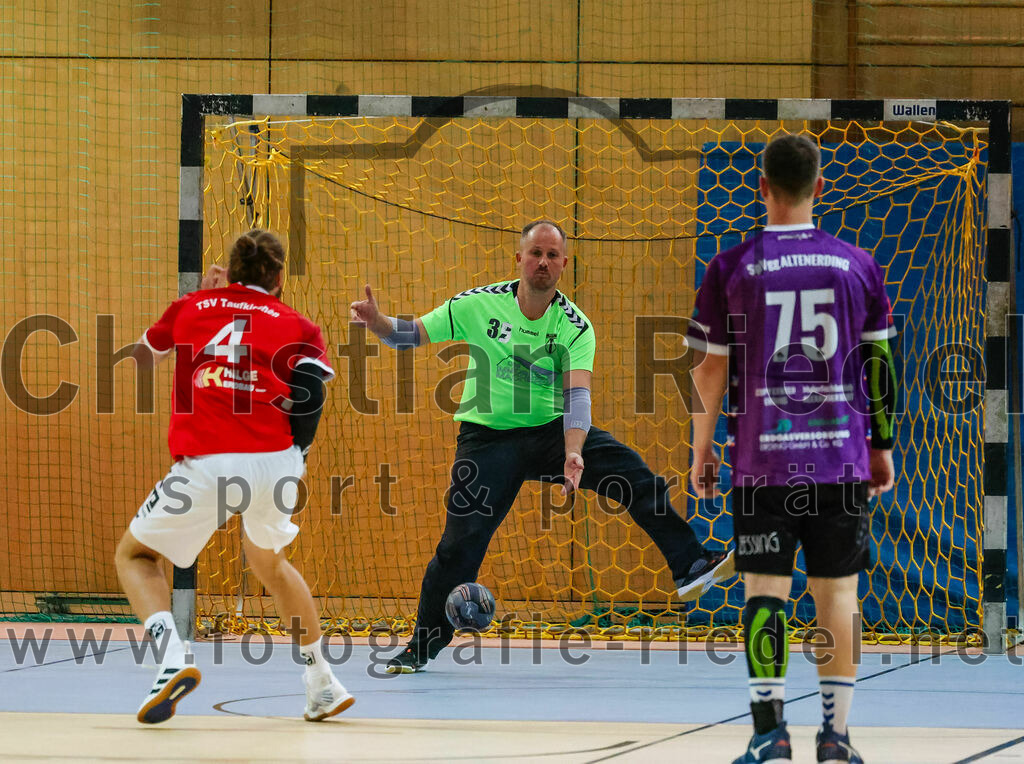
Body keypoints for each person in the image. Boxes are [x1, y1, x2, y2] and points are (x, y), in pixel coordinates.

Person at [350, 219, 736, 674]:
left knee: (634, 476)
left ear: (563, 265)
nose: (543, 262)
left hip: (553, 432)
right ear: (519, 258)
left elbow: (578, 397)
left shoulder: (575, 326)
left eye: (553, 256)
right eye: (535, 253)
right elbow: (410, 334)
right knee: (459, 548)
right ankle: (421, 647)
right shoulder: (479, 304)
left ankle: (690, 563)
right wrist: (378, 322)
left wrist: (574, 451)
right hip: (487, 439)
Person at [687, 134, 897, 764]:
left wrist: (702, 447)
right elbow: (878, 363)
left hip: (763, 466)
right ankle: (836, 738)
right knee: (837, 596)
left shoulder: (730, 266)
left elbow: (707, 371)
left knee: (765, 594)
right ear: (820, 188)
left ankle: (769, 733)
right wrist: (881, 446)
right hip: (840, 459)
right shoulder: (857, 264)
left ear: (762, 188)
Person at [115, 230, 354, 723]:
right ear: (280, 277)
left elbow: (142, 358)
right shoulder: (299, 325)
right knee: (271, 565)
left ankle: (172, 662)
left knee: (135, 555)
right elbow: (310, 396)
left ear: (230, 270)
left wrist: (193, 299)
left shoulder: (193, 307)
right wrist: (296, 458)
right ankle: (321, 683)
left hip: (208, 460)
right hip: (273, 461)